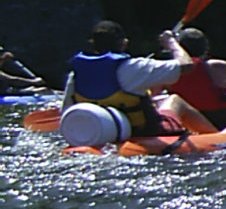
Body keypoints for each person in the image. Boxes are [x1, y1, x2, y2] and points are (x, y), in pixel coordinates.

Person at [61, 22, 208, 144]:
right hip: (142, 132)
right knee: (174, 100)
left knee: (158, 100)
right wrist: (172, 43)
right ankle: (214, 136)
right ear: (124, 43)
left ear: (94, 45)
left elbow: (67, 111)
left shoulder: (76, 73)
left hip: (101, 133)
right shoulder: (134, 67)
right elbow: (187, 65)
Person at [166, 27, 226, 126]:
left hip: (189, 119)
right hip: (221, 118)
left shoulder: (170, 68)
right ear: (206, 47)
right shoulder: (217, 65)